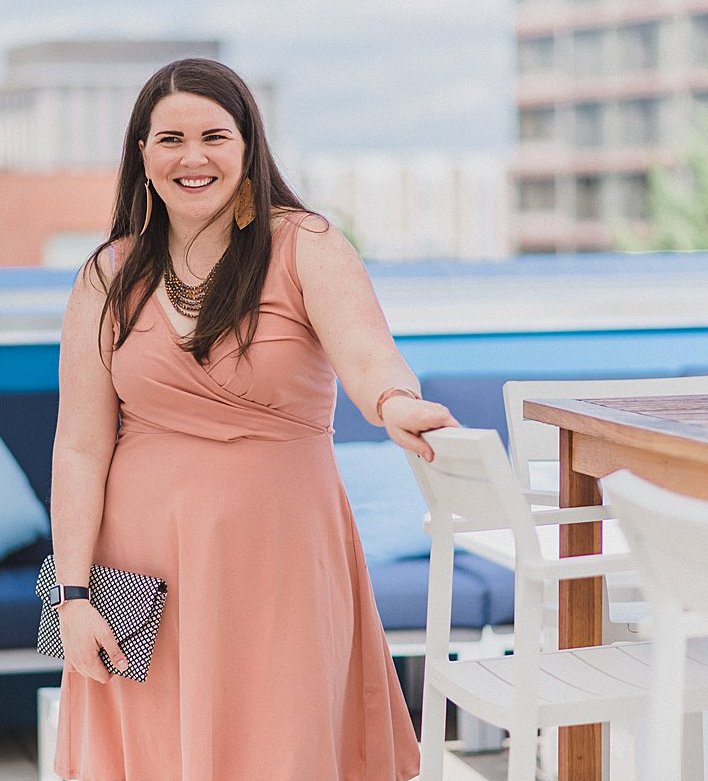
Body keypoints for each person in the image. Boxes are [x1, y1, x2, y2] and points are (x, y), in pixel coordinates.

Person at [49, 57, 457, 781]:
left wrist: (396, 403)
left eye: (215, 136)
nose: (193, 157)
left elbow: (369, 357)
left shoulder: (307, 244)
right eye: (171, 139)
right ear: (142, 154)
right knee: (156, 753)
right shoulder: (107, 275)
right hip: (138, 568)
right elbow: (80, 447)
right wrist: (72, 599)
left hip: (279, 558)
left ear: (248, 148)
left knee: (284, 746)